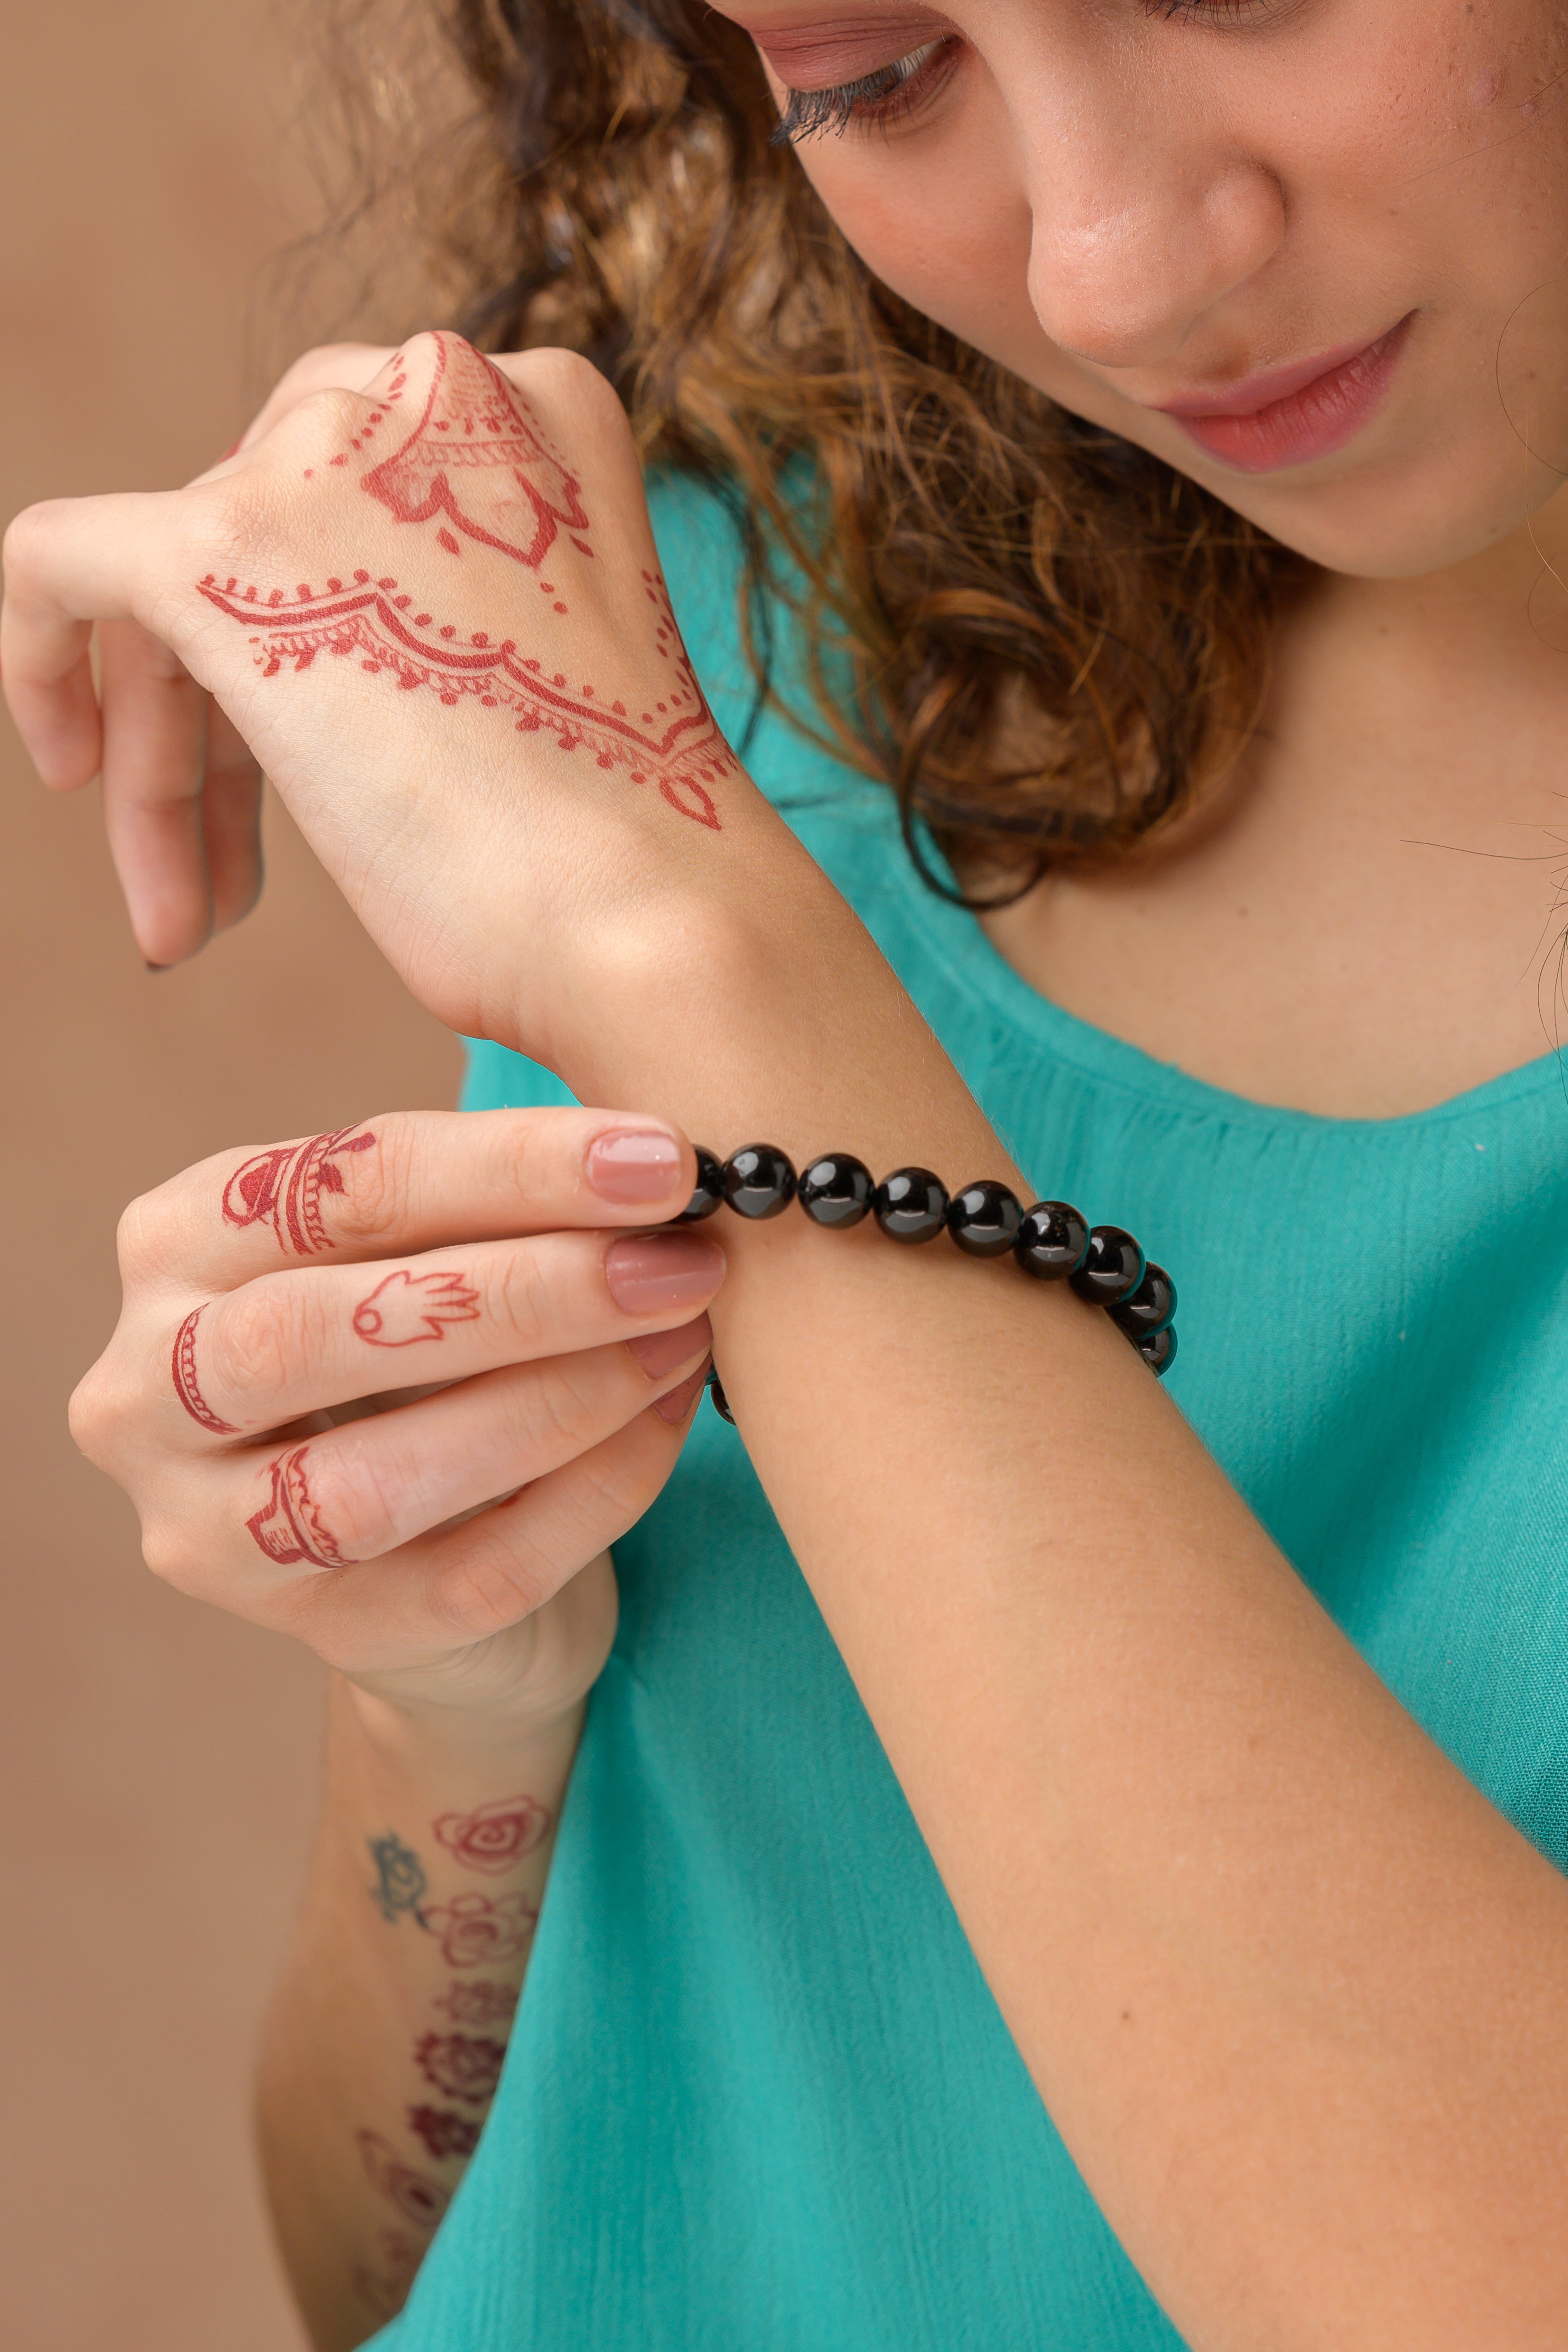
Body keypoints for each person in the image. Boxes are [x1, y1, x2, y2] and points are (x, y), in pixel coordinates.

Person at [7, 0, 1568, 2344]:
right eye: (877, 72)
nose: (1118, 269)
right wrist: (457, 1703)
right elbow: (390, 2275)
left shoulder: (683, 889)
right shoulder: (755, 659)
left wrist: (718, 983)